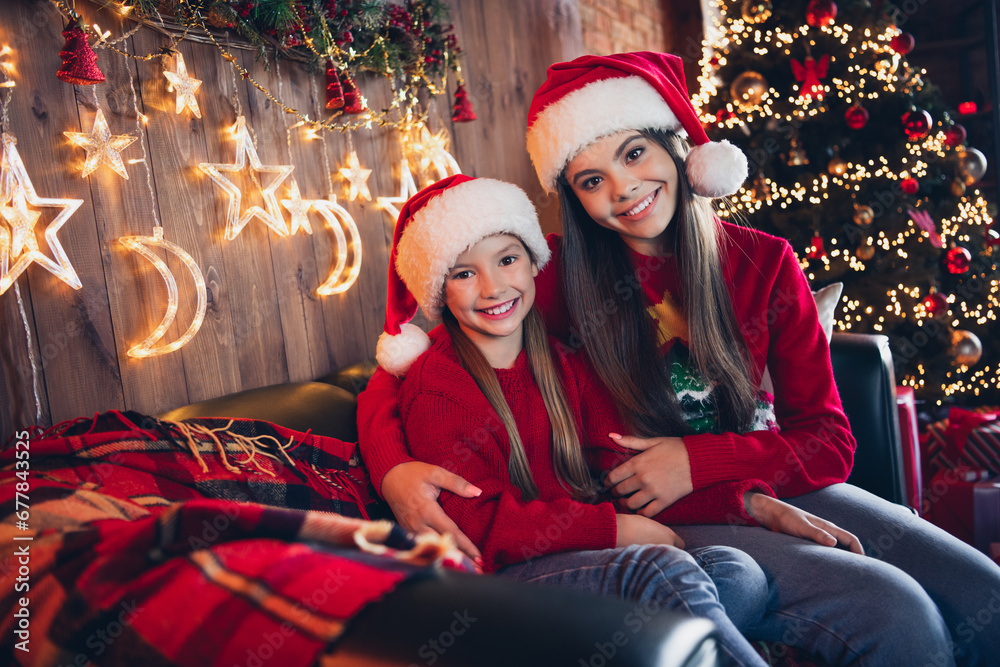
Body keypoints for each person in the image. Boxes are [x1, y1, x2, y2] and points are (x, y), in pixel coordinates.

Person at [360, 53, 1000, 666]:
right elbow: (405, 367)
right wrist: (392, 470)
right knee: (898, 613)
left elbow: (828, 440)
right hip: (660, 514)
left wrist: (700, 461)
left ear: (679, 148)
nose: (625, 188)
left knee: (984, 596)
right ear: (574, 197)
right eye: (591, 179)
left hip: (762, 484)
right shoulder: (540, 275)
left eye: (634, 153)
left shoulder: (765, 263)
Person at [369, 173, 854, 667]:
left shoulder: (565, 363)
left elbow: (624, 469)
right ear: (438, 290)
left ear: (533, 263)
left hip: (579, 566)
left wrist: (750, 503)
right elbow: (475, 522)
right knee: (663, 570)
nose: (493, 287)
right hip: (499, 581)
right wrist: (612, 529)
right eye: (463, 273)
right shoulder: (441, 387)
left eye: (507, 259)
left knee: (739, 575)